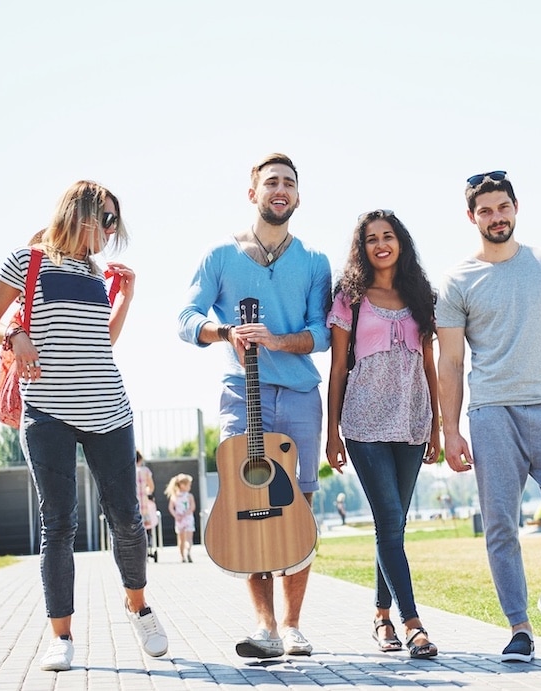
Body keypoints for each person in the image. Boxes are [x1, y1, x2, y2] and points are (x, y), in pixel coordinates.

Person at [0, 180, 168, 672]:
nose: (110, 230)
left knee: (126, 516)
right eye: (106, 219)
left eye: (114, 222)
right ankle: (61, 636)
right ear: (78, 213)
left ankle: (138, 606)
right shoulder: (28, 261)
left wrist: (125, 294)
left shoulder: (95, 273)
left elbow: (102, 342)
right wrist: (15, 333)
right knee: (59, 524)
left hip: (109, 411)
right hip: (48, 415)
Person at [436, 170, 541, 663]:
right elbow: (452, 360)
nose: (496, 217)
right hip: (492, 415)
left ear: (516, 208)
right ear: (471, 217)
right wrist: (450, 430)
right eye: (485, 210)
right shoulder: (458, 280)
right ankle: (519, 627)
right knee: (500, 524)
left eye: (502, 207)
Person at [178, 153, 331, 659]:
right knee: (247, 503)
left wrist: (277, 341)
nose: (280, 190)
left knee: (298, 507)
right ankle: (264, 626)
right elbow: (185, 318)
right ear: (253, 194)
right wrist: (225, 332)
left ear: (298, 196)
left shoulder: (314, 262)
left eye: (289, 183)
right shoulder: (220, 255)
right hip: (240, 394)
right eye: (271, 183)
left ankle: (293, 626)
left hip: (301, 396)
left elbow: (320, 333)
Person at [325, 209, 441, 659]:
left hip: (411, 419)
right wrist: (332, 434)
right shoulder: (349, 297)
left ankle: (380, 615)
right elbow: (337, 369)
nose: (380, 245)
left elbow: (430, 366)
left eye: (388, 236)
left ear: (401, 242)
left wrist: (437, 426)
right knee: (389, 523)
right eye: (371, 238)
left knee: (392, 525)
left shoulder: (420, 296)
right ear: (362, 248)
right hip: (363, 422)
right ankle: (413, 624)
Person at [165, 473, 197, 563]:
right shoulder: (189, 496)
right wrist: (186, 513)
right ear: (182, 485)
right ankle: (188, 551)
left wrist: (176, 515)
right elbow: (192, 507)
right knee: (188, 538)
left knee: (181, 538)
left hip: (179, 520)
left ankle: (183, 556)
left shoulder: (175, 496)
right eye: (188, 485)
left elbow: (171, 508)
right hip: (187, 519)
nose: (190, 487)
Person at [136, 451, 159, 562]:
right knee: (147, 527)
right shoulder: (145, 471)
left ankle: (138, 552)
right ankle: (148, 545)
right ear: (140, 459)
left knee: (135, 528)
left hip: (133, 505)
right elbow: (151, 487)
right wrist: (146, 492)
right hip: (144, 505)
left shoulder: (128, 471)